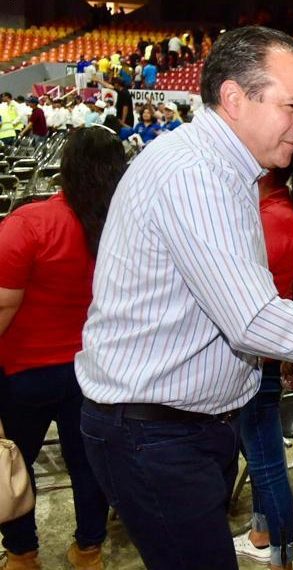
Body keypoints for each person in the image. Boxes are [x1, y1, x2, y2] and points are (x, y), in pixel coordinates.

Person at [75, 26, 293, 570]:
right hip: (156, 433)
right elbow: (252, 319)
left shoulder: (220, 170)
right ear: (234, 98)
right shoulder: (198, 175)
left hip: (175, 427)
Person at [0, 127, 126, 570]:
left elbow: (1, 306)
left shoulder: (30, 223)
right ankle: (88, 549)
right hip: (92, 371)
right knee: (87, 464)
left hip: (23, 372)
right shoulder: (123, 229)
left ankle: (22, 553)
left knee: (16, 463)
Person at [231, 149, 293, 570]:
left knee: (266, 461)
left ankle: (280, 554)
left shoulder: (274, 216)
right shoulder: (267, 209)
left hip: (259, 355)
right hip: (258, 352)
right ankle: (263, 533)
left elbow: (258, 296)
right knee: (260, 455)